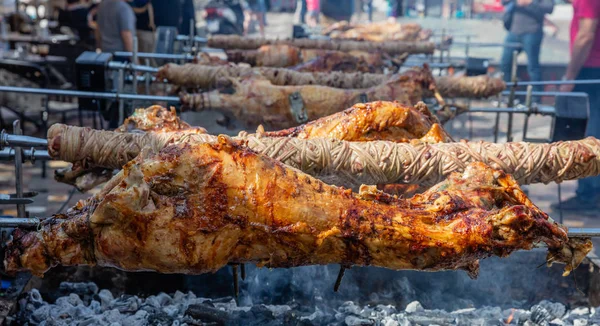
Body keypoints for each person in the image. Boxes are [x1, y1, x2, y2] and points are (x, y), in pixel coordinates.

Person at [553, 0, 600, 210]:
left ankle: (589, 194)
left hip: (592, 69)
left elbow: (586, 34)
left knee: (591, 132)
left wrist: (569, 76)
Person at [500, 0, 554, 93]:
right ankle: (506, 94)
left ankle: (536, 98)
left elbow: (549, 8)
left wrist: (530, 3)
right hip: (514, 31)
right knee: (505, 63)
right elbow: (503, 2)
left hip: (532, 32)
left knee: (533, 67)